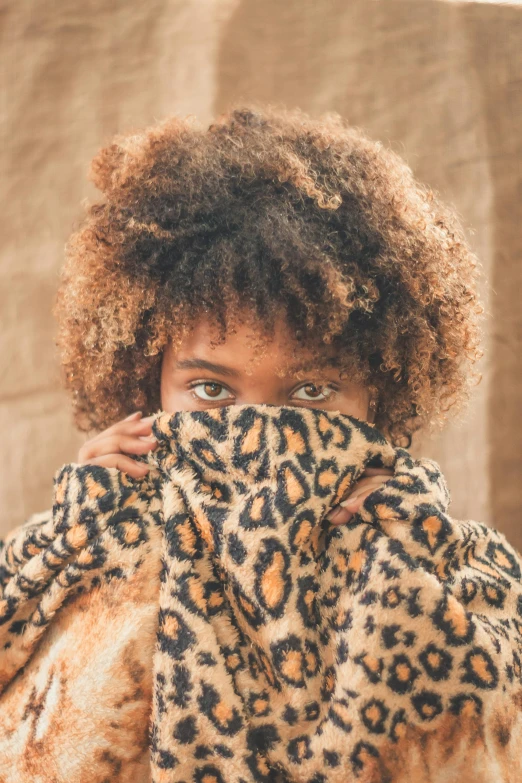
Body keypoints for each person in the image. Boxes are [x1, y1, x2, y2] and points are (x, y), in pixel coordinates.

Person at [3, 103, 520, 783]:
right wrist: (70, 532)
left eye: (309, 395)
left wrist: (414, 533)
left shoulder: (438, 558)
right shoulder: (92, 533)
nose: (261, 434)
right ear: (148, 382)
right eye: (212, 392)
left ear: (381, 398)